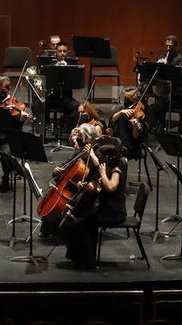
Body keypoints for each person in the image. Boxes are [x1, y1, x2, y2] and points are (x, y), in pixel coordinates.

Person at [62, 129, 127, 269]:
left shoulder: (116, 171)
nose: (100, 160)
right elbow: (98, 187)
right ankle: (80, 258)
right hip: (103, 209)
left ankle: (87, 261)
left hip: (113, 213)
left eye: (102, 157)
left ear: (108, 158)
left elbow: (110, 187)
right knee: (79, 222)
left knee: (79, 225)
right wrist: (85, 185)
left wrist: (102, 174)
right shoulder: (107, 169)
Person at [144, 46, 182, 135]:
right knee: (155, 107)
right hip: (177, 97)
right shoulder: (179, 69)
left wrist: (180, 77)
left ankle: (181, 135)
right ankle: (147, 131)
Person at [108, 88, 144, 159]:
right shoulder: (121, 107)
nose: (125, 100)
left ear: (135, 98)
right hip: (117, 139)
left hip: (130, 145)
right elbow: (112, 120)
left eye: (128, 98)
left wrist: (135, 126)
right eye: (125, 98)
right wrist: (121, 112)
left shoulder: (140, 110)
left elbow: (136, 136)